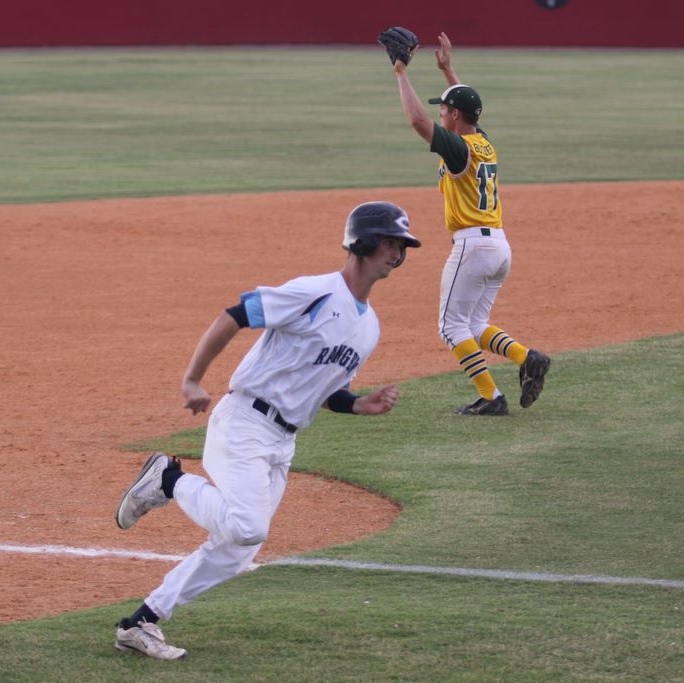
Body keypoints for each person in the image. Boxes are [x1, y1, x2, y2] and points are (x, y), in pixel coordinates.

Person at [112, 201, 421, 659]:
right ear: (365, 243)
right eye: (390, 243)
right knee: (247, 527)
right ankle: (168, 480)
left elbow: (326, 389)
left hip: (283, 439)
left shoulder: (369, 327)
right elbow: (236, 314)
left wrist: (358, 404)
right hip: (245, 421)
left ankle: (140, 623)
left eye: (402, 246)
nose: (397, 254)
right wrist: (193, 379)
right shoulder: (315, 292)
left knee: (237, 549)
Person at [391, 31, 550, 416]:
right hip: (499, 248)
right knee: (474, 323)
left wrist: (400, 72)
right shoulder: (483, 142)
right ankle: (527, 358)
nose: (440, 114)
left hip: (473, 248)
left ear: (455, 116)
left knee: (451, 327)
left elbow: (417, 120)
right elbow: (467, 108)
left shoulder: (458, 148)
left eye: (444, 109)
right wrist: (448, 71)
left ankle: (491, 397)